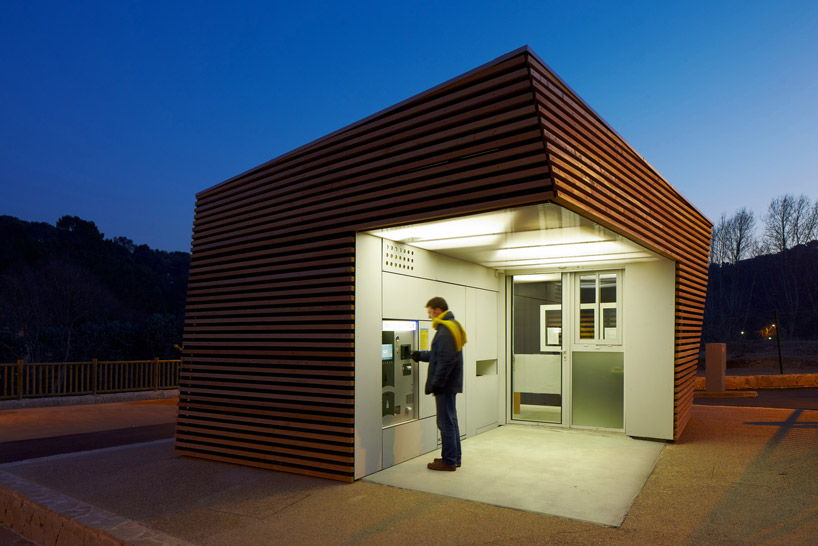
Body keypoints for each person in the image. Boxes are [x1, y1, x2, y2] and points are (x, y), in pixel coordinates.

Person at [411, 296, 467, 471]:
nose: (429, 316)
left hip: (445, 385)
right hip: (451, 384)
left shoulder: (444, 330)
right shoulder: (454, 326)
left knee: (445, 422)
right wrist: (420, 355)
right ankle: (454, 457)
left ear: (437, 310)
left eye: (429, 312)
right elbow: (440, 355)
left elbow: (446, 361)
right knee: (451, 420)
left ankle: (448, 461)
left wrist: (437, 383)